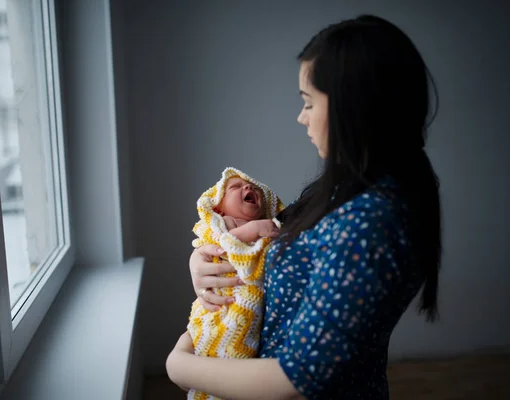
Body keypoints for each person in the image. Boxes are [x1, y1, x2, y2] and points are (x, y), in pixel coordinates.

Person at [167, 14, 442, 400]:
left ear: (354, 107)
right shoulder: (343, 192)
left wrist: (180, 365)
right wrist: (205, 263)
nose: (302, 117)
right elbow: (266, 239)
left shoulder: (371, 222)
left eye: (309, 103)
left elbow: (296, 380)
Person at [187, 167, 283, 400]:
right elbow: (225, 246)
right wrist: (250, 231)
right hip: (222, 307)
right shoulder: (224, 223)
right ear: (218, 206)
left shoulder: (268, 224)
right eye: (235, 187)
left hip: (253, 311)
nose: (248, 187)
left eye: (253, 188)